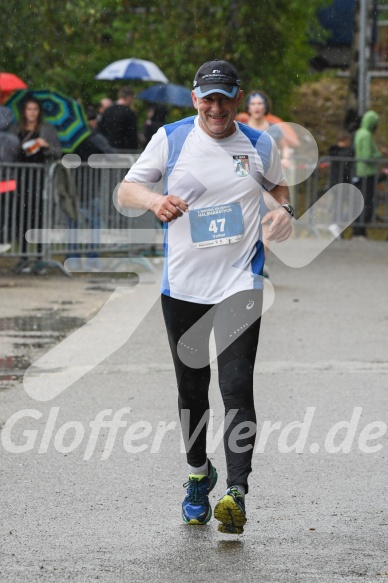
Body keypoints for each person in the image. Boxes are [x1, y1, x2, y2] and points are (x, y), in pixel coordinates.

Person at [118, 60, 293, 535]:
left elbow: (278, 187)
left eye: (225, 97)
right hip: (185, 288)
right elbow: (127, 187)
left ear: (238, 98)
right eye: (208, 98)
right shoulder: (171, 139)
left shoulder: (259, 143)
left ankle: (236, 492)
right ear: (195, 99)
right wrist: (154, 201)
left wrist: (284, 211)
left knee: (236, 387)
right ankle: (199, 474)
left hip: (241, 281)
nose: (216, 107)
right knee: (192, 392)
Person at [10, 97, 61, 272]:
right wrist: (22, 147)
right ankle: (23, 256)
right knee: (21, 219)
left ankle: (39, 258)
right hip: (20, 180)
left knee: (38, 218)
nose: (32, 113)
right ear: (24, 111)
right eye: (29, 109)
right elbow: (10, 152)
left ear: (39, 112)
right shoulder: (16, 129)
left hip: (40, 180)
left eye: (35, 109)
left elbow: (57, 152)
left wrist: (46, 146)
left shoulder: (46, 130)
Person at [352, 110, 387, 238]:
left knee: (362, 202)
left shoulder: (359, 133)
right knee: (368, 203)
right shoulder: (366, 135)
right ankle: (359, 231)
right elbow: (366, 156)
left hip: (361, 172)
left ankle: (359, 231)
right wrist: (379, 154)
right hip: (368, 172)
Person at [98, 86, 138, 150]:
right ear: (129, 98)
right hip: (123, 150)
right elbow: (132, 136)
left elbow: (101, 129)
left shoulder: (107, 111)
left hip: (107, 149)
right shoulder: (129, 113)